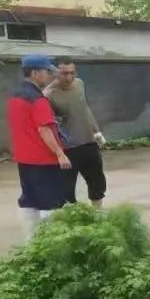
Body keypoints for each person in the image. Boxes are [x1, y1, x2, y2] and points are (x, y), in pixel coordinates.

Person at [6, 54, 71, 241]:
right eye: (46, 72)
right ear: (35, 73)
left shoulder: (15, 97)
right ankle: (49, 243)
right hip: (43, 160)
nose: (49, 76)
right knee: (50, 203)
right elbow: (44, 129)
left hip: (24, 159)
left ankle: (30, 243)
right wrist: (59, 154)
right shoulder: (37, 100)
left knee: (29, 200)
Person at [46, 58, 107, 207]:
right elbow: (46, 124)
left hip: (88, 142)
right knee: (66, 189)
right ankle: (70, 219)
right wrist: (57, 152)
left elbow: (85, 108)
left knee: (97, 182)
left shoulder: (79, 84)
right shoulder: (48, 94)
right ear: (55, 73)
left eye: (72, 73)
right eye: (64, 73)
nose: (69, 77)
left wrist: (96, 131)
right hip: (67, 148)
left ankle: (98, 216)